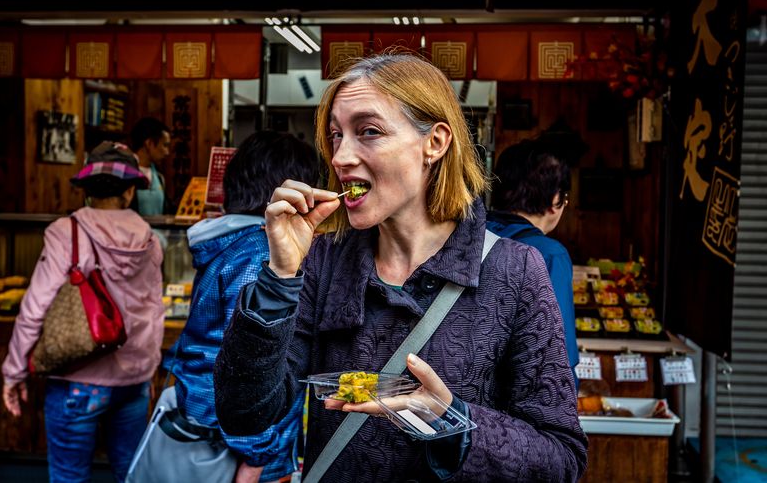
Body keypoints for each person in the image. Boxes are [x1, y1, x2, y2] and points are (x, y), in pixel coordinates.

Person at [214, 53, 587, 482]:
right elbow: (245, 413)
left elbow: (562, 460)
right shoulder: (324, 260)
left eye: (368, 132)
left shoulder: (516, 270)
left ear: (436, 142)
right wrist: (279, 276)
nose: (340, 157)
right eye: (336, 136)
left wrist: (449, 421)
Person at [2, 141, 164, 483]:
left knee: (69, 478)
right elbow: (153, 312)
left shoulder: (67, 232)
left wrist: (14, 372)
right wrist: (149, 371)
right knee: (130, 476)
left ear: (87, 190)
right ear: (130, 191)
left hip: (77, 382)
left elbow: (35, 308)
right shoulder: (149, 238)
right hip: (133, 381)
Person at [165, 131, 318, 483]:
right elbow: (248, 360)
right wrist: (256, 455)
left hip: (209, 418)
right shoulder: (260, 253)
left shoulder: (229, 242)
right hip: (241, 445)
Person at [486, 139, 580, 389]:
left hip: (455, 396)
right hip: (514, 405)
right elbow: (559, 355)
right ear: (555, 199)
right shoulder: (549, 254)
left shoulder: (463, 237)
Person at [130, 117, 171, 215]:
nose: (167, 152)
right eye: (165, 145)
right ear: (149, 143)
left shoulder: (159, 177)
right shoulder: (126, 174)